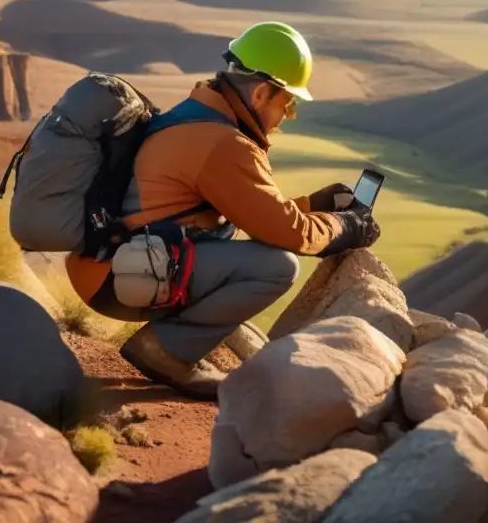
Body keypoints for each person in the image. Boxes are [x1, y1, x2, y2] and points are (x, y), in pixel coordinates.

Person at [63, 21, 381, 399]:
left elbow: (254, 214)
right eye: (288, 104)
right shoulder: (223, 143)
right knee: (276, 267)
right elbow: (288, 234)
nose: (285, 118)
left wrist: (315, 206)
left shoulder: (197, 117)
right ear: (262, 94)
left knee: (257, 253)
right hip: (120, 278)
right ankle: (165, 350)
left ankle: (179, 337)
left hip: (115, 264)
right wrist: (346, 227)